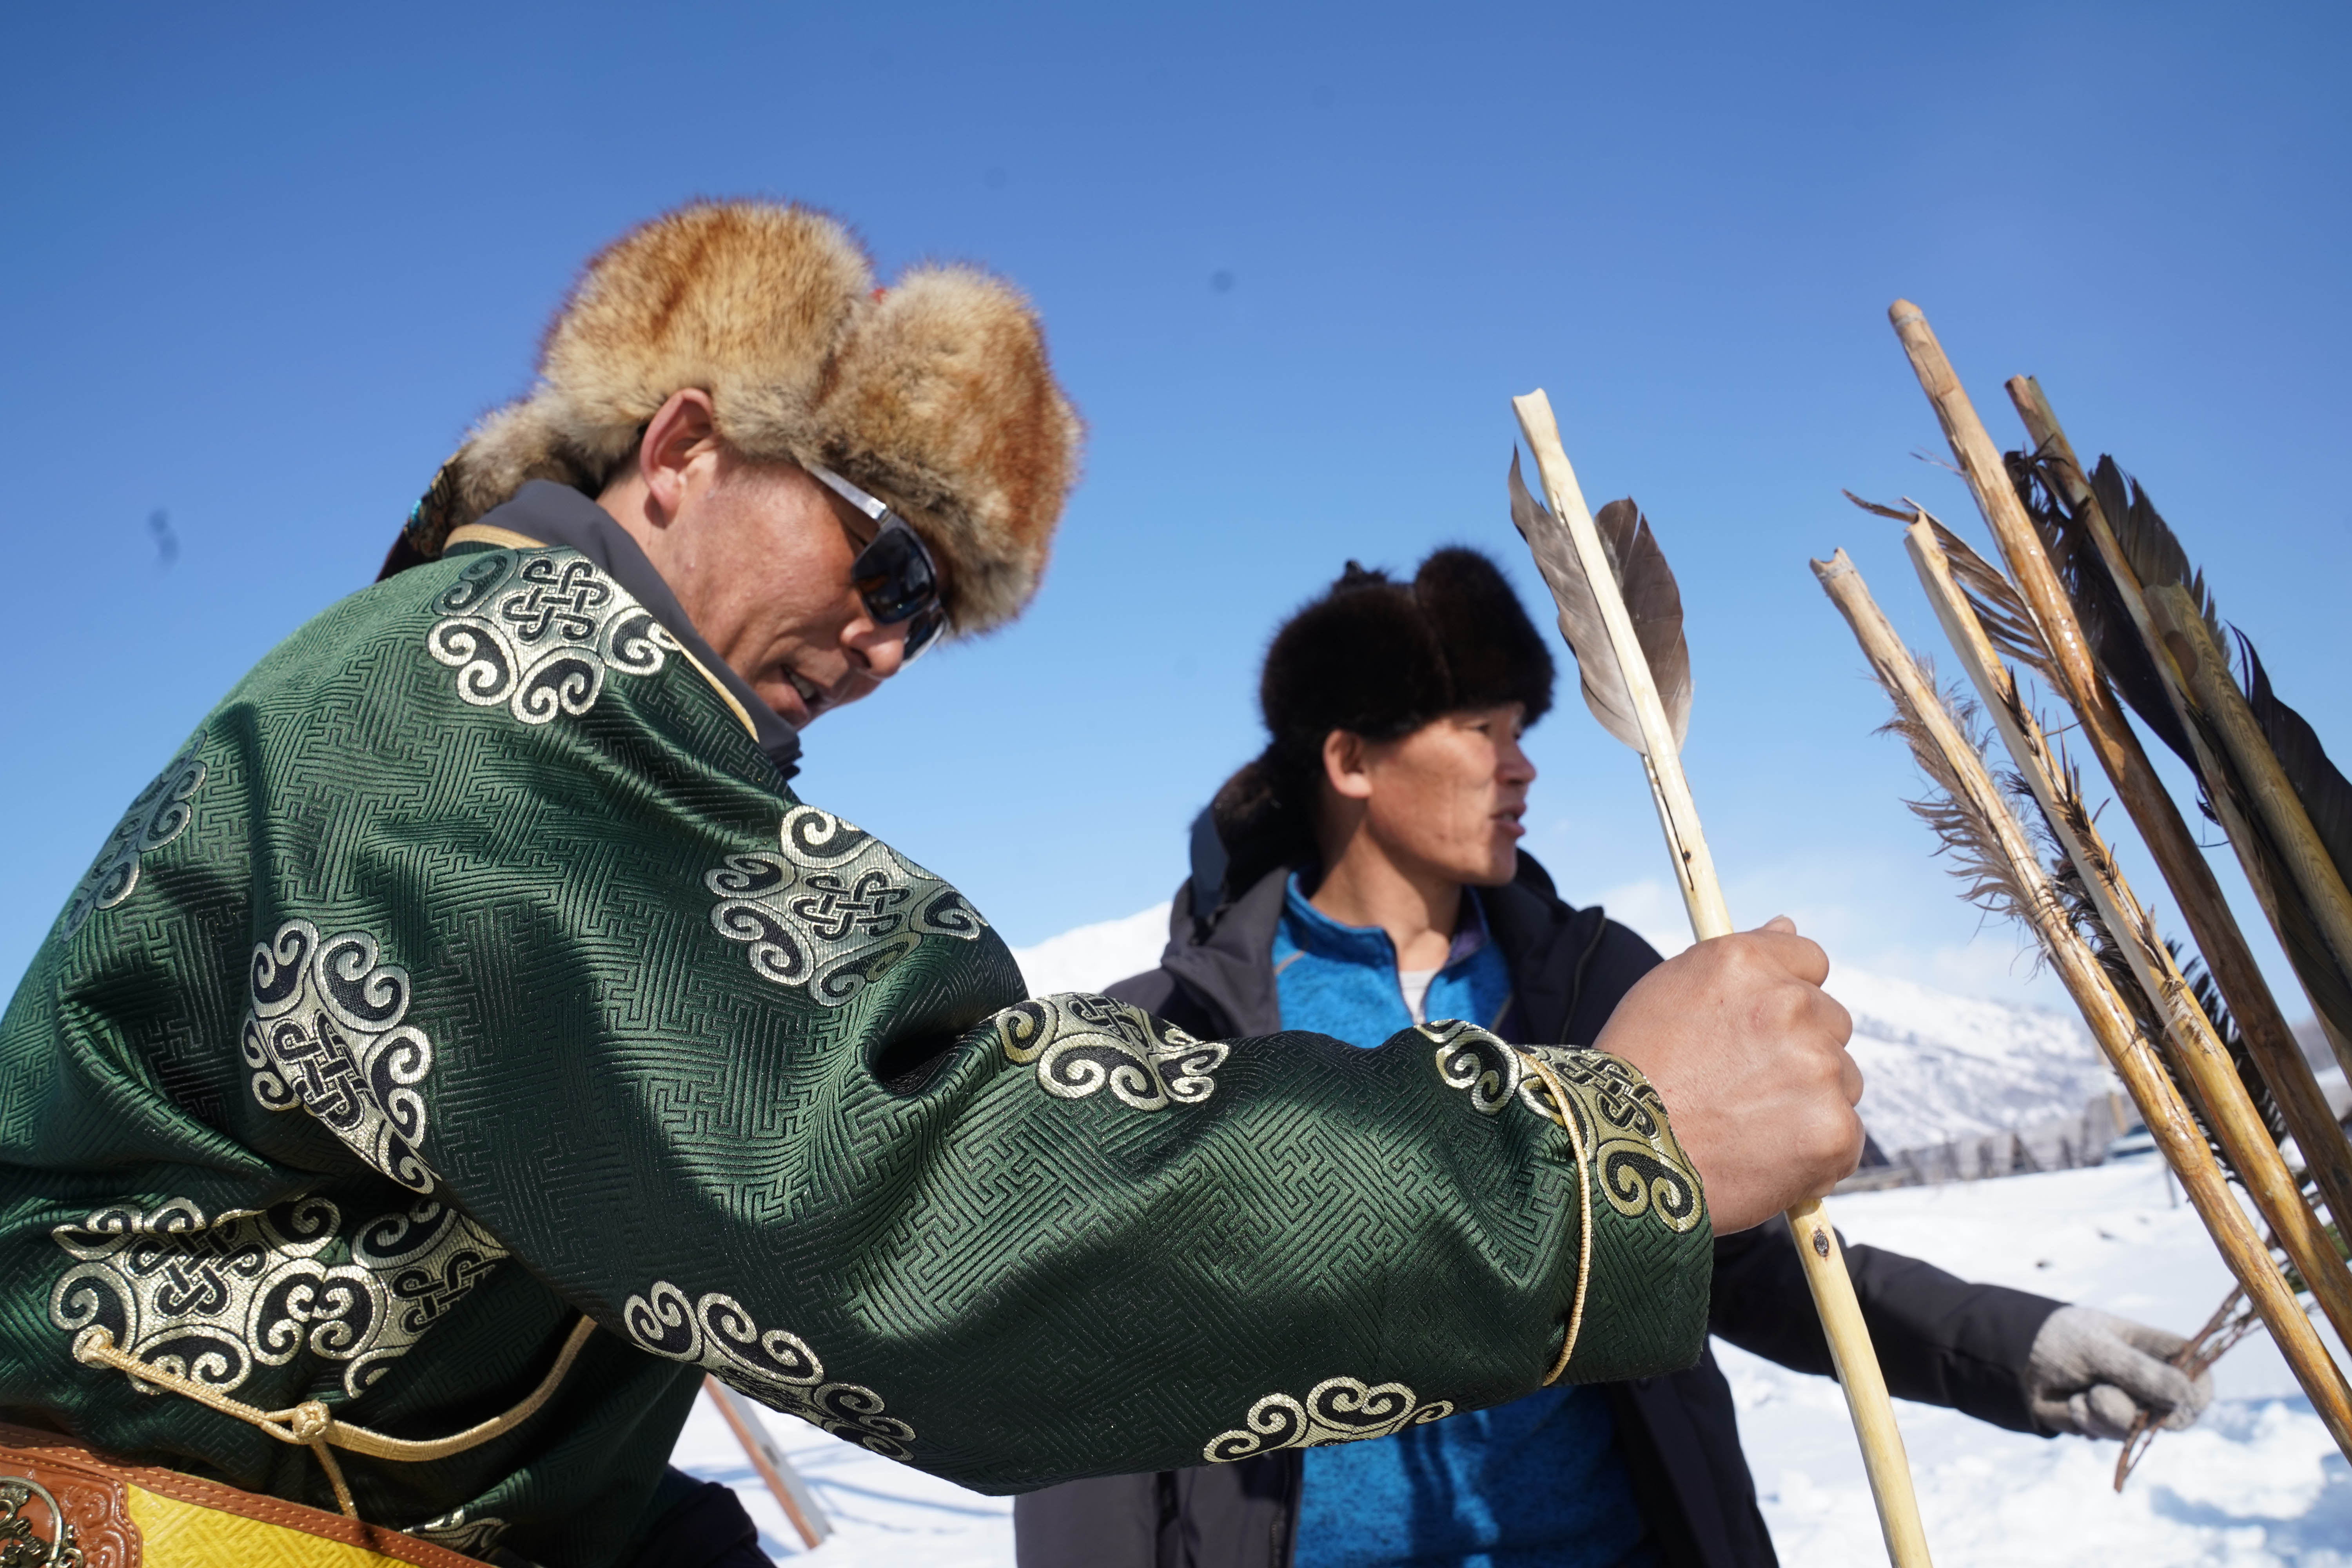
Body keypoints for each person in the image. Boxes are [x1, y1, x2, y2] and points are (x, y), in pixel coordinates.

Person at [0, 203, 1865, 1568]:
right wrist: (1594, 1159)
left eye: (937, 618)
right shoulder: (487, 702)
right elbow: (891, 1183)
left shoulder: (482, 712)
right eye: (888, 561)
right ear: (679, 448)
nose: (892, 649)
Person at [1013, 550, 2214, 1568]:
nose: (1521, 764)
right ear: (1351, 762)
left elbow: (1739, 1261)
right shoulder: (1173, 1039)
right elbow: (1086, 1411)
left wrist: (2014, 1347)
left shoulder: (1588, 991)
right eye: (1477, 730)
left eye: (1523, 729)